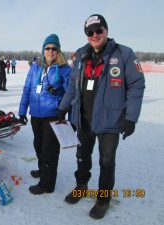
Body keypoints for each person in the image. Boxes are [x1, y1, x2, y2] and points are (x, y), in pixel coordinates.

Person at [58, 14, 145, 219]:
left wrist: (131, 117)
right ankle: (81, 186)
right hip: (84, 118)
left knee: (106, 162)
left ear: (106, 30)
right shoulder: (80, 55)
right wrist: (63, 108)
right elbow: (73, 85)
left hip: (110, 120)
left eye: (99, 30)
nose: (95, 35)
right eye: (90, 32)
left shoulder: (124, 54)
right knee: (82, 157)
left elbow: (136, 85)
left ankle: (103, 199)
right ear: (87, 35)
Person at [18, 34, 71, 195]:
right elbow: (27, 89)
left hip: (53, 114)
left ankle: (47, 184)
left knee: (50, 150)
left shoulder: (65, 69)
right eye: (48, 48)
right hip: (36, 113)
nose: (50, 51)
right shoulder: (35, 67)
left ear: (58, 50)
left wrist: (60, 100)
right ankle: (43, 170)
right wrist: (22, 111)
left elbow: (71, 93)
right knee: (38, 145)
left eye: (54, 48)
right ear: (43, 49)